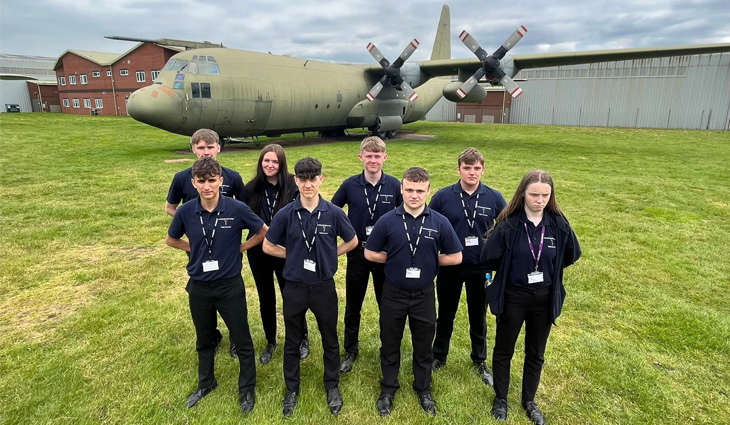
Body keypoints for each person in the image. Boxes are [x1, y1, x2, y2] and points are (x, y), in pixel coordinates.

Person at [165, 157, 267, 415]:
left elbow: (263, 231)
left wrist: (241, 247)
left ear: (221, 181)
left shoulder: (237, 208)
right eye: (202, 181)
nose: (207, 186)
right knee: (204, 339)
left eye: (212, 180)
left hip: (229, 286)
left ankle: (246, 389)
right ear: (194, 183)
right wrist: (195, 248)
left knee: (242, 340)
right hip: (199, 286)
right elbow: (171, 239)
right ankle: (206, 383)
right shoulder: (186, 210)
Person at [481, 170, 581, 425]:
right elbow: (489, 256)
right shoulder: (509, 224)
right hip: (514, 297)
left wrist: (548, 270)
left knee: (536, 352)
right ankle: (501, 399)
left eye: (545, 195)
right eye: (534, 194)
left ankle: (529, 400)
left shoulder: (558, 224)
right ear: (523, 193)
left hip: (544, 298)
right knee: (504, 350)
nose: (540, 200)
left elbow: (571, 254)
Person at [263, 157, 358, 417]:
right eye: (302, 179)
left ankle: (332, 385)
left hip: (323, 287)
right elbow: (268, 246)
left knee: (330, 338)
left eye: (312, 178)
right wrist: (292, 256)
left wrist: (330, 255)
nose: (308, 184)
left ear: (320, 180)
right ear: (296, 180)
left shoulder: (334, 213)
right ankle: (292, 388)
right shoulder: (285, 214)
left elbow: (352, 241)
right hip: (294, 287)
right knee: (293, 340)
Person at [364, 167, 463, 417]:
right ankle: (388, 388)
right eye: (409, 190)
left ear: (429, 191)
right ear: (402, 190)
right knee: (389, 343)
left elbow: (456, 256)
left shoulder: (440, 222)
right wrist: (393, 259)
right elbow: (369, 252)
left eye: (420, 191)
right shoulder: (388, 220)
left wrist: (430, 261)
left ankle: (423, 388)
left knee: (423, 345)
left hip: (424, 295)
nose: (414, 195)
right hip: (393, 294)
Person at [165, 128, 246, 358]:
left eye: (210, 147)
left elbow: (244, 208)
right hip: (199, 249)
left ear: (218, 148)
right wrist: (191, 225)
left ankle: (235, 338)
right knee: (203, 294)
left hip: (226, 249)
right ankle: (210, 334)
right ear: (193, 150)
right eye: (201, 148)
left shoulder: (232, 177)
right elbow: (171, 208)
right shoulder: (182, 178)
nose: (206, 152)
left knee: (230, 294)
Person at [429, 148, 506, 385]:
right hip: (450, 266)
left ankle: (479, 359)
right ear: (458, 169)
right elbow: (430, 225)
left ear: (483, 169)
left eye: (476, 168)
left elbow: (505, 227)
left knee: (478, 315)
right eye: (467, 168)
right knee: (445, 314)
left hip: (480, 267)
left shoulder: (494, 197)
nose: (471, 173)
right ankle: (439, 356)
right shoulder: (443, 197)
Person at [331, 136, 402, 374]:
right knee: (353, 305)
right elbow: (332, 212)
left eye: (377, 156)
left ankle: (388, 348)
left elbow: (406, 215)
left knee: (387, 306)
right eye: (368, 156)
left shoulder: (394, 185)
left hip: (385, 256)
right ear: (361, 157)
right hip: (358, 254)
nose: (373, 160)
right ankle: (350, 350)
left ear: (385, 157)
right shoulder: (350, 185)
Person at [244, 144, 310, 365]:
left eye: (275, 161)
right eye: (266, 161)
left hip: (286, 252)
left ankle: (301, 338)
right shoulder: (250, 188)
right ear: (261, 162)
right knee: (266, 297)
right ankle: (270, 341)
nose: (270, 165)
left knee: (291, 296)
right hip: (258, 251)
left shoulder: (293, 186)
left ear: (281, 164)